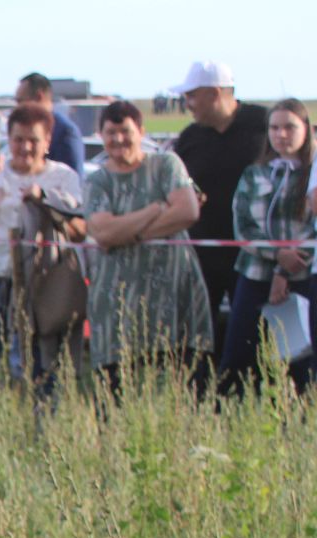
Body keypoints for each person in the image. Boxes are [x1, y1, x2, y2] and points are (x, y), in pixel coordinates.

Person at [0, 103, 85, 398]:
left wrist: (46, 201)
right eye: (18, 139)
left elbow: (82, 231)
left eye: (33, 140)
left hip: (43, 283)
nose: (25, 147)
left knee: (45, 365)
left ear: (47, 141)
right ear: (8, 140)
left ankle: (44, 434)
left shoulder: (63, 177)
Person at [84, 100, 213, 394]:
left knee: (182, 383)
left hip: (172, 293)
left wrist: (129, 232)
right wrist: (154, 209)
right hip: (117, 301)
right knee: (117, 389)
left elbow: (186, 212)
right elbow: (102, 231)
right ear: (101, 134)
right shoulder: (97, 181)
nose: (118, 139)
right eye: (111, 132)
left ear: (141, 131)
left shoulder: (166, 165)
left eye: (125, 131)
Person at [168, 61, 268, 366]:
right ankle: (199, 397)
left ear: (214, 93)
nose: (187, 105)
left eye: (192, 96)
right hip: (202, 256)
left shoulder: (262, 124)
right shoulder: (189, 138)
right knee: (196, 337)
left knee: (256, 336)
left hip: (256, 256)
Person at [218, 99, 315, 390]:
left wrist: (284, 271)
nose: (281, 134)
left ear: (306, 130)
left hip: (303, 278)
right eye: (274, 128)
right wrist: (276, 256)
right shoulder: (254, 174)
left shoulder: (312, 175)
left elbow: (313, 230)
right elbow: (244, 227)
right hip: (254, 276)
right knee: (238, 353)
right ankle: (225, 413)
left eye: (289, 127)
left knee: (302, 359)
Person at [15, 73, 85, 179]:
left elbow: (73, 180)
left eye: (20, 101)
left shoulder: (64, 132)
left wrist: (40, 192)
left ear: (39, 97)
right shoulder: (20, 129)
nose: (18, 107)